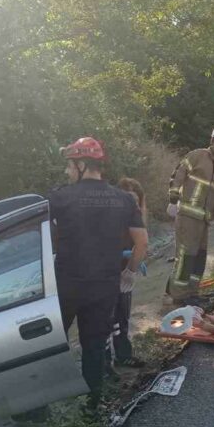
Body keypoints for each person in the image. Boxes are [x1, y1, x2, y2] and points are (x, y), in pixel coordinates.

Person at [48, 137, 148, 412]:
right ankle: (92, 405)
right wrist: (129, 273)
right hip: (104, 286)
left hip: (68, 284)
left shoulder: (60, 197)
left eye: (69, 165)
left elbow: (43, 236)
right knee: (93, 345)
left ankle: (36, 408)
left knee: (53, 343)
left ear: (81, 164)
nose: (67, 172)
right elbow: (141, 242)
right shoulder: (123, 199)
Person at [166, 125, 214, 303]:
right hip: (187, 216)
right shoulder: (196, 156)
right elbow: (177, 175)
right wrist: (172, 200)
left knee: (199, 258)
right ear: (212, 141)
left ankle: (192, 293)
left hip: (204, 219)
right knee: (186, 257)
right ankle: (179, 296)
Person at [106, 177, 148, 371]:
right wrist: (123, 255)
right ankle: (104, 366)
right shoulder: (108, 217)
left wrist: (137, 262)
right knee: (107, 320)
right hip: (108, 272)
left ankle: (123, 356)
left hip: (125, 272)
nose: (133, 204)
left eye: (136, 201)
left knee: (123, 316)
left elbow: (140, 243)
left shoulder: (136, 219)